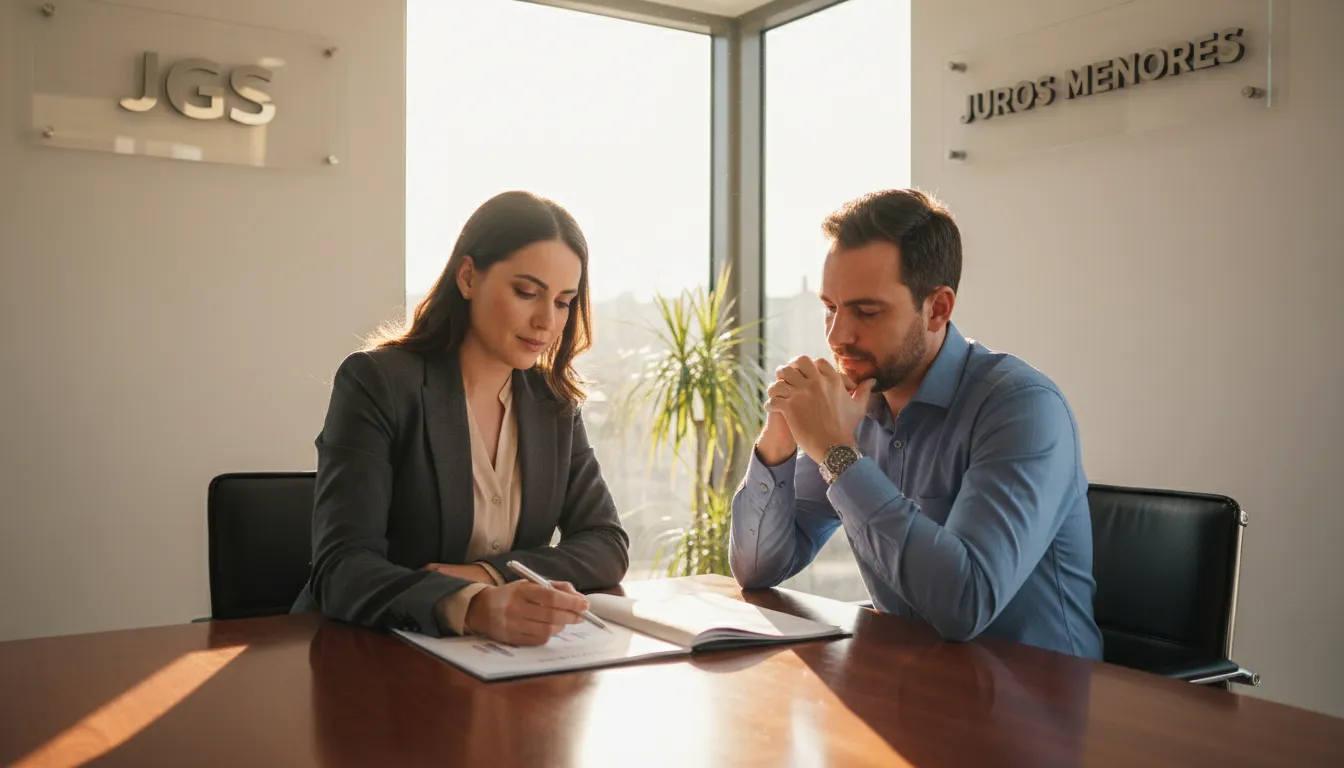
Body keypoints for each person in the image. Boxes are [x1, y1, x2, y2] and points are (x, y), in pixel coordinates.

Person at [730, 189, 1102, 659]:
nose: (837, 335)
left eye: (866, 311)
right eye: (830, 308)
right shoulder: (857, 406)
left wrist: (836, 453)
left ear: (939, 309)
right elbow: (758, 567)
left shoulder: (1023, 409)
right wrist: (781, 436)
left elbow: (963, 604)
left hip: (1036, 704)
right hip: (912, 687)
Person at [292, 191, 630, 646]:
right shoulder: (379, 382)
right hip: (371, 653)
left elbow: (606, 542)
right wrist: (469, 604)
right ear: (468, 277)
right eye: (527, 292)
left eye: (564, 302)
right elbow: (342, 568)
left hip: (503, 663)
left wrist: (488, 575)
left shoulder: (553, 401)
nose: (546, 322)